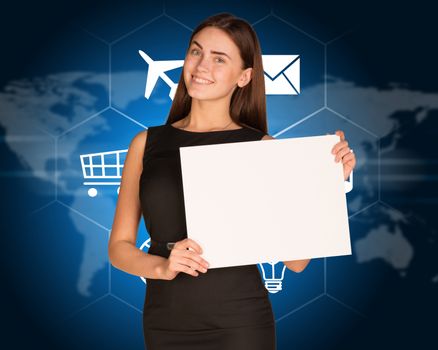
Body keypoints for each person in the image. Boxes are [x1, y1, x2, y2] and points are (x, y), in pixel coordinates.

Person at [108, 12, 356, 350]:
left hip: (240, 325)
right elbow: (119, 247)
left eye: (219, 59)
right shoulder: (145, 144)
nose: (201, 65)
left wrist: (328, 185)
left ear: (244, 77)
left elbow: (296, 262)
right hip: (164, 323)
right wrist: (162, 267)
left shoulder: (262, 148)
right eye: (196, 51)